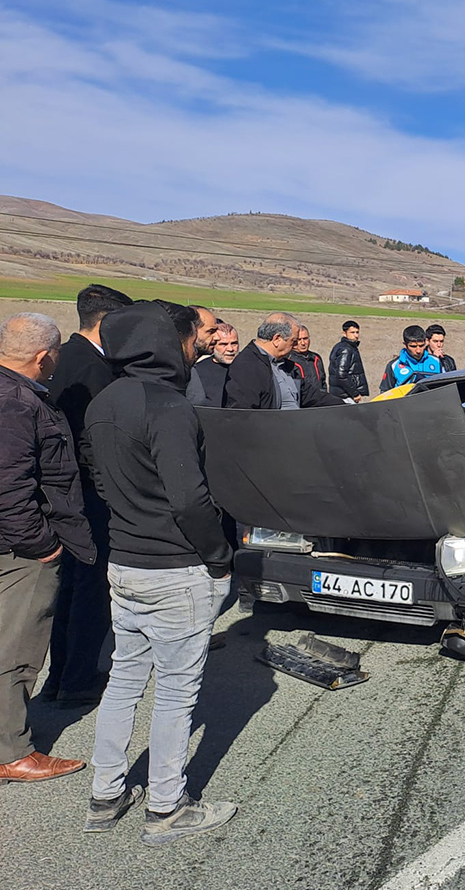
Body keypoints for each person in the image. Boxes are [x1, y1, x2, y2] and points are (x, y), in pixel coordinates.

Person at [83, 300, 238, 842]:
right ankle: (168, 808)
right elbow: (190, 499)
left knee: (125, 679)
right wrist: (219, 558)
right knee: (176, 691)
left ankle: (105, 795)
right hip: (176, 568)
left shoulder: (104, 402)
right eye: (191, 336)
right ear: (162, 343)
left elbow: (101, 481)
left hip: (124, 561)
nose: (196, 341)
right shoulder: (167, 404)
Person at [0, 313, 95, 784]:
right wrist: (42, 545)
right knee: (17, 649)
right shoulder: (18, 403)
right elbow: (10, 486)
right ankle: (13, 752)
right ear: (44, 356)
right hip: (18, 550)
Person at [44, 284, 132, 707]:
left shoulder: (65, 356)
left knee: (70, 588)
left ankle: (59, 677)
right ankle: (77, 680)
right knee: (89, 589)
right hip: (88, 496)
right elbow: (92, 443)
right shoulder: (94, 370)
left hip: (66, 493)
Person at [224, 313, 342, 410]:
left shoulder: (286, 365)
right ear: (277, 339)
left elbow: (310, 396)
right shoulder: (247, 367)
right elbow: (243, 414)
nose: (296, 346)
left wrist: (346, 406)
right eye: (293, 341)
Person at [186, 322, 238, 408]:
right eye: (223, 344)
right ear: (213, 344)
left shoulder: (247, 367)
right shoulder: (198, 370)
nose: (230, 349)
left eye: (234, 343)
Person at [380, 325, 444, 392]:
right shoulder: (393, 366)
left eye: (421, 345)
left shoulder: (436, 361)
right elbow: (384, 393)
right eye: (413, 346)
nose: (418, 350)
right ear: (405, 344)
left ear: (426, 342)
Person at [328, 320, 369, 402]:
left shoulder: (345, 347)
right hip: (345, 395)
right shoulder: (346, 349)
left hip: (342, 393)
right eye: (352, 332)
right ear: (344, 333)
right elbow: (341, 374)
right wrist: (355, 393)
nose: (356, 335)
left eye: (357, 332)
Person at [288, 325, 326, 393]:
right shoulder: (288, 360)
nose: (303, 343)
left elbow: (323, 382)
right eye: (299, 340)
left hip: (319, 399)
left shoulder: (316, 358)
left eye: (305, 339)